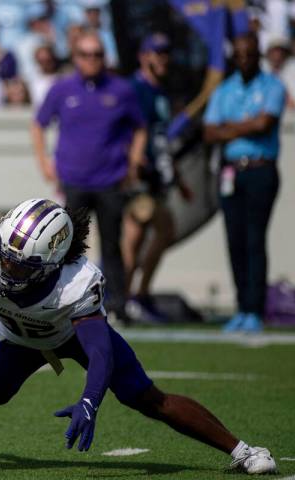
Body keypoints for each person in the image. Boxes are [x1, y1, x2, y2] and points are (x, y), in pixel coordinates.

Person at [0, 198, 277, 475]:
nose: (7, 267)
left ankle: (244, 450)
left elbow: (100, 352)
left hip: (70, 334)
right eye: (6, 257)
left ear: (51, 262)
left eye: (20, 264)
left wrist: (89, 401)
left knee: (146, 397)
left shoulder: (77, 284)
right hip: (22, 335)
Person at [31, 31, 147, 323]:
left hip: (110, 179)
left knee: (112, 244)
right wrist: (44, 161)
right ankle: (63, 302)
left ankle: (118, 304)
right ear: (76, 57)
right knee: (67, 246)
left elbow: (140, 127)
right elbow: (38, 124)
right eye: (85, 54)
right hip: (74, 179)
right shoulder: (62, 88)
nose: (91, 60)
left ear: (104, 58)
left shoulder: (121, 90)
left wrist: (134, 162)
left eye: (97, 54)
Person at [204, 32, 285, 333]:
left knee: (254, 239)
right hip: (231, 172)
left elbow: (265, 124)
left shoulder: (272, 86)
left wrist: (230, 127)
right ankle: (241, 306)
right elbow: (210, 132)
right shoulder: (225, 89)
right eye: (239, 54)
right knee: (234, 240)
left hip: (260, 169)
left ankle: (255, 308)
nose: (244, 59)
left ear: (258, 55)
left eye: (249, 54)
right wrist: (246, 125)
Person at [122, 33, 192, 323]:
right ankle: (125, 298)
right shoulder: (134, 88)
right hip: (138, 174)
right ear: (143, 56)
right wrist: (130, 163)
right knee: (135, 235)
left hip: (156, 175)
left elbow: (161, 138)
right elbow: (123, 129)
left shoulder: (160, 92)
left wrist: (177, 179)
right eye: (156, 53)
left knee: (160, 231)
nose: (162, 58)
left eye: (165, 53)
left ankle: (134, 295)